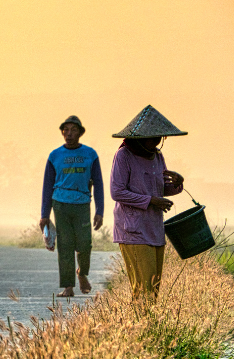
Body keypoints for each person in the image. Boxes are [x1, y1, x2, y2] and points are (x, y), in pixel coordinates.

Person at [110, 105, 186, 301]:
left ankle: (147, 327)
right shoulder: (123, 156)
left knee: (153, 288)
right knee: (143, 288)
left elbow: (159, 189)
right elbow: (117, 191)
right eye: (150, 138)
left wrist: (177, 184)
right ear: (139, 138)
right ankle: (138, 327)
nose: (155, 142)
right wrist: (151, 201)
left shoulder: (157, 157)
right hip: (133, 229)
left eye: (158, 138)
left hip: (154, 228)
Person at [39, 115, 104, 298]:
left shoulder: (90, 155)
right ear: (62, 132)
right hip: (60, 204)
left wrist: (100, 211)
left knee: (85, 244)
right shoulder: (55, 156)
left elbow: (98, 183)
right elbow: (47, 186)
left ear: (80, 133)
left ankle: (82, 273)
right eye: (65, 130)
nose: (69, 133)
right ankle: (68, 286)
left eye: (73, 130)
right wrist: (44, 214)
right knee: (65, 246)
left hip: (82, 204)